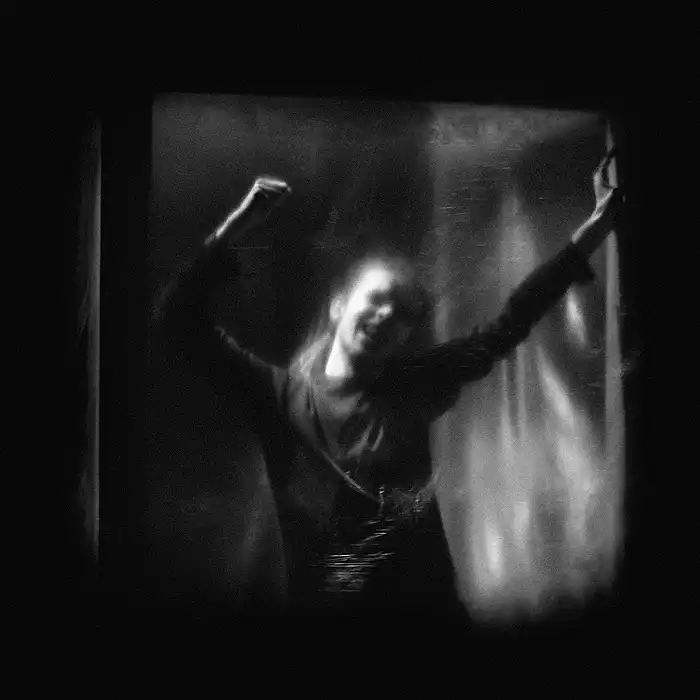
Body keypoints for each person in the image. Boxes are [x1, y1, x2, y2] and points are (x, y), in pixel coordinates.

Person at [155, 151, 622, 622]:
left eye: (401, 313)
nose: (385, 315)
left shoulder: (415, 384)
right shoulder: (280, 397)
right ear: (338, 306)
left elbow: (511, 322)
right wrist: (237, 225)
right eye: (377, 298)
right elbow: (177, 319)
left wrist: (595, 229)